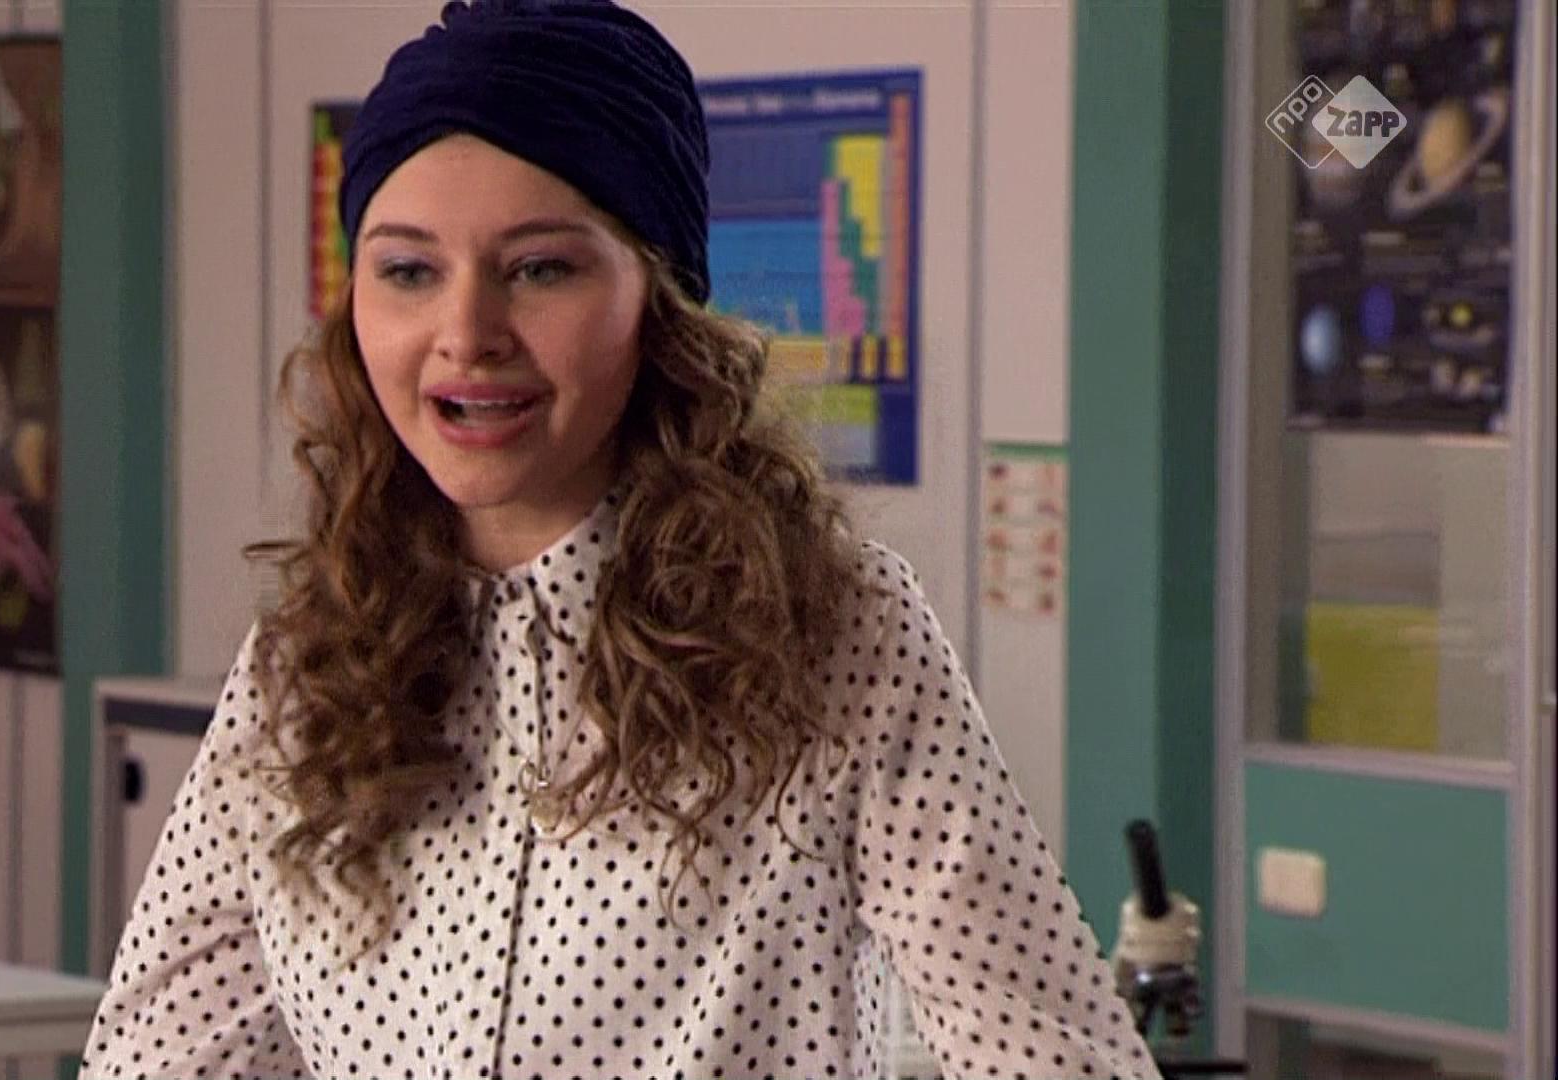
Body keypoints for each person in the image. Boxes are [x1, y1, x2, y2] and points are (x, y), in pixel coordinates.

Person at [81, 2, 1159, 1078]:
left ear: (660, 300)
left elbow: (1058, 1055)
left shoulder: (835, 632)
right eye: (408, 270)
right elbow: (154, 1058)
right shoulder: (306, 664)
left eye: (540, 269)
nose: (466, 334)